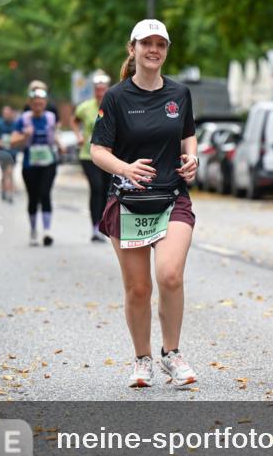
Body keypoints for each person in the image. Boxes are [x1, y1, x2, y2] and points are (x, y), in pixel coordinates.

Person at [90, 19, 199, 389]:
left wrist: (192, 160)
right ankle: (143, 359)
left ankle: (172, 353)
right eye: (146, 44)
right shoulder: (117, 98)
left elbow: (189, 137)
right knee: (138, 288)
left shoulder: (180, 94)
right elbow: (97, 151)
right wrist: (125, 167)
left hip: (172, 198)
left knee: (169, 274)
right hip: (128, 203)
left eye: (160, 44)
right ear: (132, 49)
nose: (154, 50)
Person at [11, 87, 60, 246]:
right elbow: (12, 142)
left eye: (41, 103)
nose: (38, 106)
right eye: (35, 103)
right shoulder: (23, 120)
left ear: (45, 104)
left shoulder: (51, 118)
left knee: (45, 193)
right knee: (33, 197)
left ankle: (47, 231)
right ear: (30, 104)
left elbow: (54, 135)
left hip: (48, 162)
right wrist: (25, 136)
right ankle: (33, 230)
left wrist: (61, 145)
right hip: (29, 164)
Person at [74, 71, 113, 242]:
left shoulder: (114, 105)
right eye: (98, 90)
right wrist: (78, 135)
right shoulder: (86, 107)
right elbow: (74, 120)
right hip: (88, 155)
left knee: (106, 190)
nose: (100, 93)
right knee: (96, 188)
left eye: (103, 90)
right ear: (94, 91)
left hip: (109, 155)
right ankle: (95, 227)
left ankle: (104, 224)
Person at [0, 105, 20, 203]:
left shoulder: (15, 124)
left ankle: (10, 194)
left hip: (12, 152)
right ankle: (3, 190)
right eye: (4, 113)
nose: (6, 115)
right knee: (4, 173)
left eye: (8, 113)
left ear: (11, 113)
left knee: (10, 172)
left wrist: (15, 141)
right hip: (2, 152)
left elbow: (19, 135)